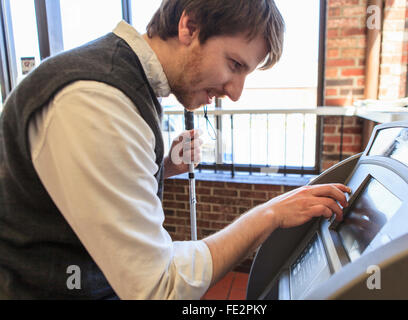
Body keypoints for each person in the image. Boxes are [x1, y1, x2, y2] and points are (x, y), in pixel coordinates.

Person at [0, 0, 350, 299]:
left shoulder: (128, 82)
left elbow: (79, 188)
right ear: (190, 26)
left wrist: (164, 165)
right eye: (234, 64)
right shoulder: (97, 99)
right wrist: (270, 214)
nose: (236, 92)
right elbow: (159, 286)